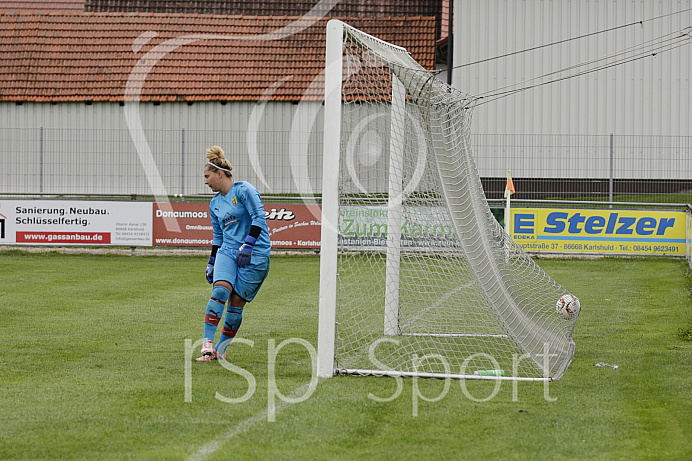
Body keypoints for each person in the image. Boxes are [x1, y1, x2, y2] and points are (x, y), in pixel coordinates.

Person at [196, 146, 271, 361]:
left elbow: (258, 218)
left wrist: (248, 245)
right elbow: (218, 236)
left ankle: (220, 350)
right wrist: (211, 261)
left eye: (207, 176)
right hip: (227, 251)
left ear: (219, 174)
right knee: (220, 290)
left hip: (255, 253)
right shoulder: (214, 203)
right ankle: (207, 343)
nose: (206, 181)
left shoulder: (245, 190)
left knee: (236, 302)